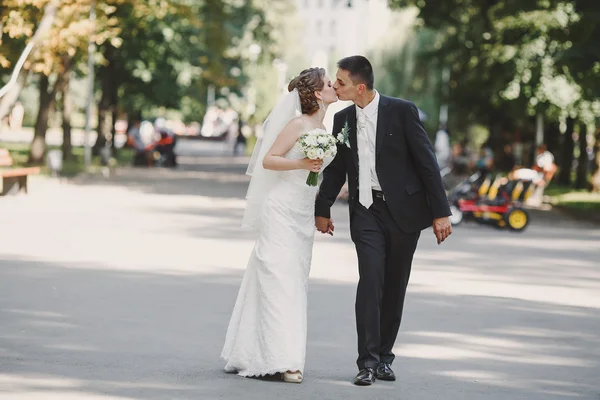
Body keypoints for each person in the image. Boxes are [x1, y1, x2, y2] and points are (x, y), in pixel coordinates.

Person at [315, 56, 452, 386]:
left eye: (341, 82)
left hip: (404, 211)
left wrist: (441, 211)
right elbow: (336, 168)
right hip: (366, 211)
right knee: (371, 279)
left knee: (394, 285)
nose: (335, 86)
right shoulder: (343, 118)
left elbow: (426, 163)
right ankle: (367, 362)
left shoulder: (402, 111)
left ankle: (385, 358)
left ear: (359, 87)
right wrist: (322, 208)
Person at [221, 68, 338, 383]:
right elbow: (269, 159)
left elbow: (318, 175)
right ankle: (285, 360)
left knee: (292, 281)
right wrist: (301, 163)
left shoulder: (321, 126)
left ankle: (247, 350)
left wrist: (321, 210)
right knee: (279, 279)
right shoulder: (298, 124)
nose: (334, 86)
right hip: (281, 208)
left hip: (301, 211)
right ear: (316, 93)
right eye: (329, 83)